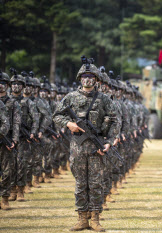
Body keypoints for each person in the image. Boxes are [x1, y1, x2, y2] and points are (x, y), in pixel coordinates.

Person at [53, 56, 121, 232]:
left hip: (97, 147)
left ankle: (96, 218)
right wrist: (69, 124)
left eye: (91, 76)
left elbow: (115, 121)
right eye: (84, 76)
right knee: (80, 184)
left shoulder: (104, 99)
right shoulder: (71, 97)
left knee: (96, 184)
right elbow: (57, 115)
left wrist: (109, 142)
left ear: (96, 80)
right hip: (78, 147)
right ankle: (82, 218)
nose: (88, 79)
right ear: (80, 79)